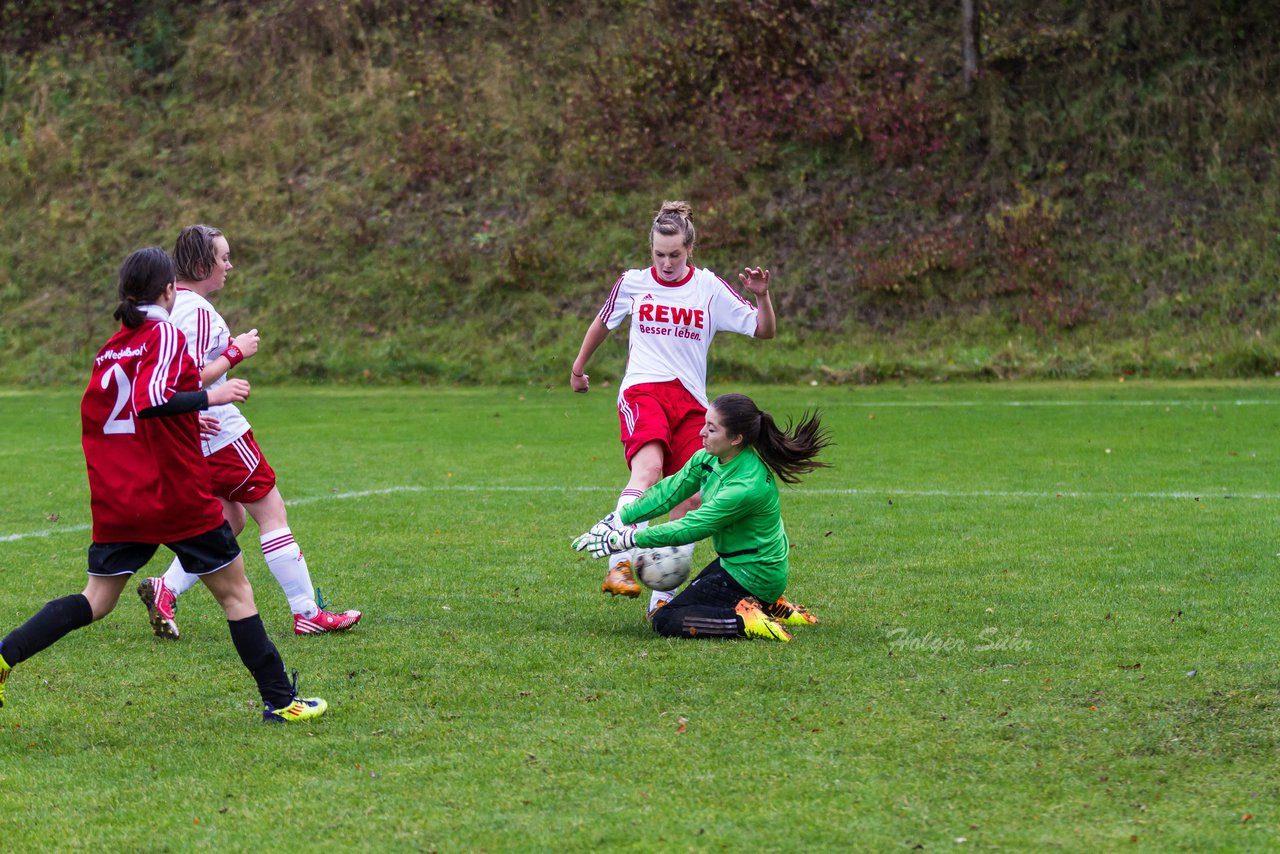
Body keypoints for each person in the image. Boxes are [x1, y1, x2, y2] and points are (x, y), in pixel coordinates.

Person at [0, 248, 324, 722]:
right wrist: (211, 397)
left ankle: (3, 657)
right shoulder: (165, 332)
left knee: (96, 600)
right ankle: (281, 700)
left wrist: (192, 408)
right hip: (173, 494)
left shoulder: (111, 348)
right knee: (237, 596)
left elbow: (121, 412)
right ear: (169, 290)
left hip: (120, 498)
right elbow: (154, 398)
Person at [135, 225, 362, 640]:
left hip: (193, 437)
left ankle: (165, 588)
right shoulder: (197, 311)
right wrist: (236, 352)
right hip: (220, 435)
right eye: (223, 258)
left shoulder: (171, 309)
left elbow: (159, 380)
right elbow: (183, 381)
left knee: (229, 518)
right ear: (204, 264)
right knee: (271, 512)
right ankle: (307, 612)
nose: (229, 266)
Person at [570, 201, 776, 612]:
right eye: (659, 254)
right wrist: (578, 369)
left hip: (690, 403)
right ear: (651, 250)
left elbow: (763, 329)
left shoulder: (708, 288)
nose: (666, 263)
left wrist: (763, 296)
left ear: (690, 250)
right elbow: (602, 321)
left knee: (689, 502)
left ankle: (662, 598)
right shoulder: (632, 282)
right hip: (643, 390)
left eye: (675, 255)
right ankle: (620, 565)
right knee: (647, 471)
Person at [573, 393, 831, 642]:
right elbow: (668, 492)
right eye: (705, 424)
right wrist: (618, 518)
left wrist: (628, 538)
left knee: (666, 619)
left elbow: (692, 526)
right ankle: (769, 603)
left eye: (712, 428)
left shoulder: (745, 487)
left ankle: (747, 620)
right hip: (739, 565)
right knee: (690, 604)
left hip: (754, 573)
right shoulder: (709, 457)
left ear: (736, 438)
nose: (701, 432)